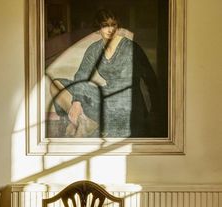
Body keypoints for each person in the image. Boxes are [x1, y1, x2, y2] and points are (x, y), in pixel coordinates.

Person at [50, 9, 159, 138]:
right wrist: (77, 102)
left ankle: (90, 122)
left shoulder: (132, 48)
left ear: (117, 26)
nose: (110, 29)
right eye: (105, 25)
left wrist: (155, 110)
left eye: (113, 25)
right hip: (105, 97)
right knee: (56, 84)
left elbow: (150, 80)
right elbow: (81, 76)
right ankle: (83, 121)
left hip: (128, 103)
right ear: (98, 29)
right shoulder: (95, 49)